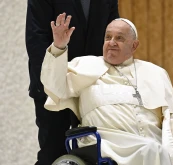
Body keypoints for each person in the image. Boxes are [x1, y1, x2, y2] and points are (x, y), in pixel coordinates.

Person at [41, 14, 173, 165]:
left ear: (134, 46)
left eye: (120, 38)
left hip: (156, 139)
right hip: (109, 141)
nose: (112, 43)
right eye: (108, 37)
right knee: (151, 150)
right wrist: (59, 46)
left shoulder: (155, 72)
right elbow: (54, 86)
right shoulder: (84, 65)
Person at [25, 0, 119, 164]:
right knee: (53, 151)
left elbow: (114, 31)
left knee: (93, 151)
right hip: (52, 88)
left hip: (92, 84)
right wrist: (50, 82)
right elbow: (36, 39)